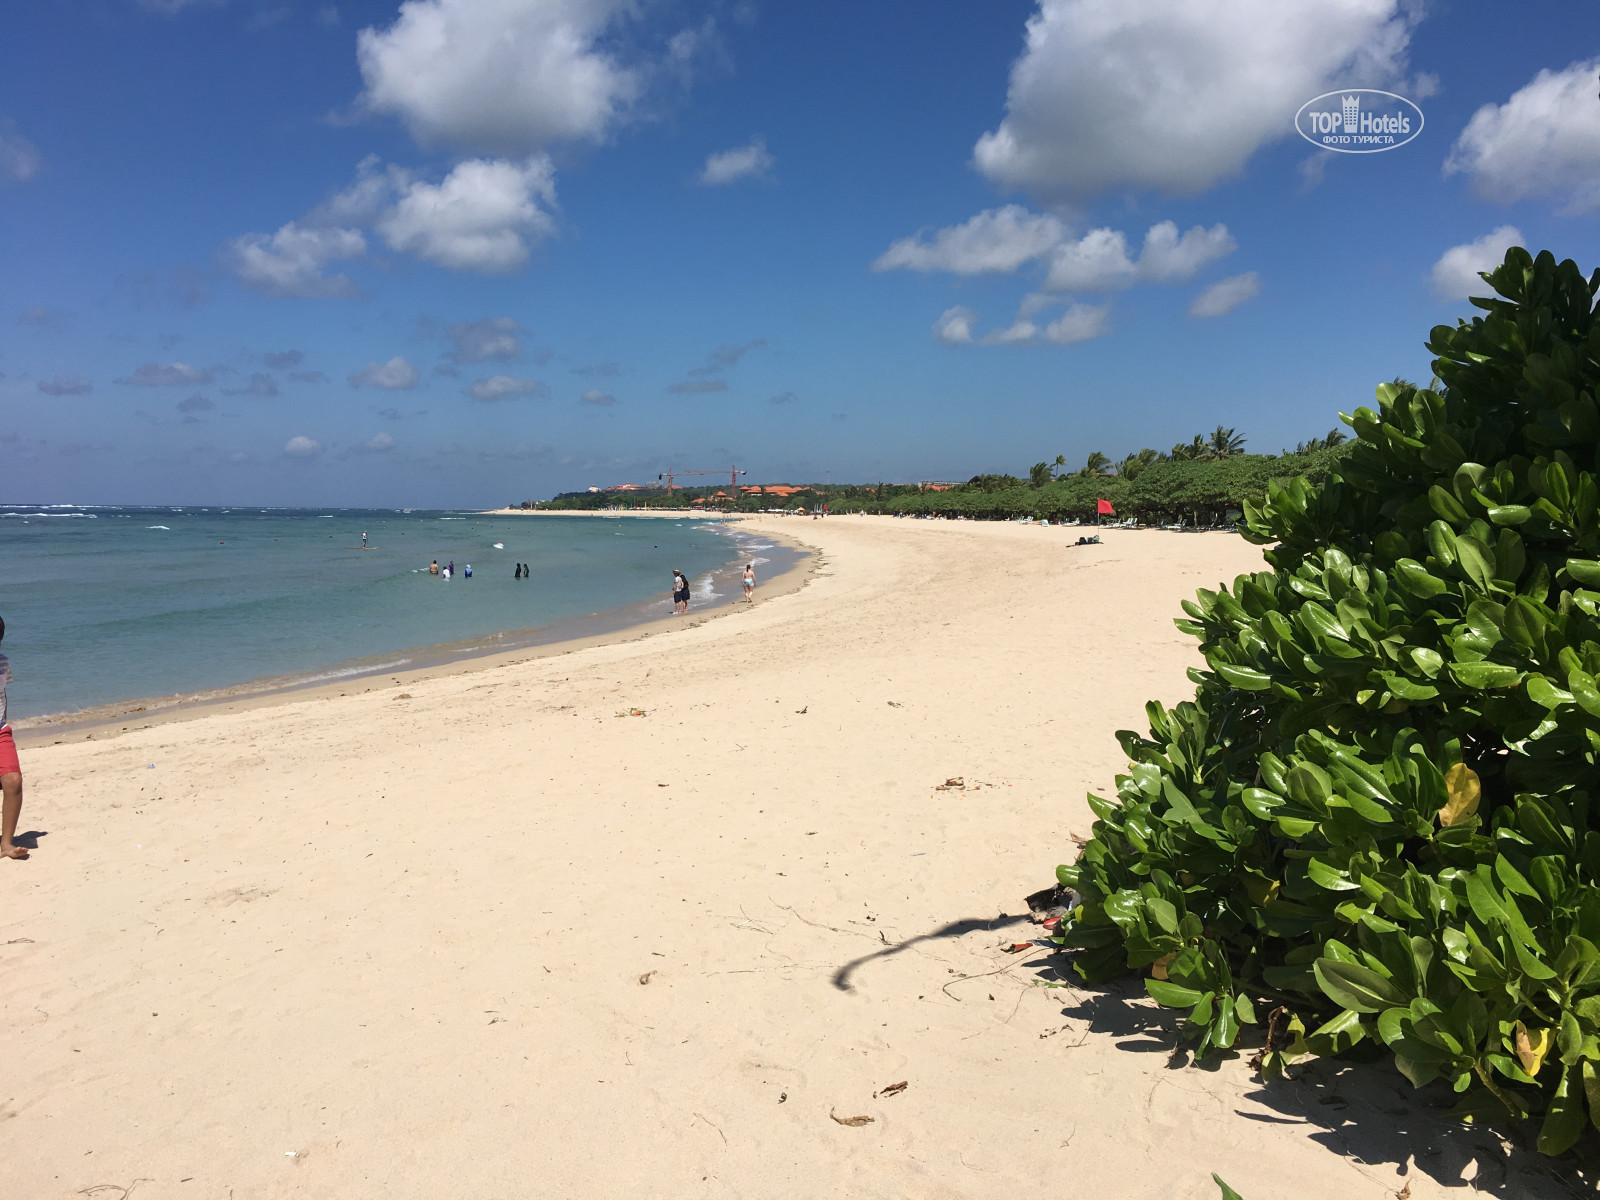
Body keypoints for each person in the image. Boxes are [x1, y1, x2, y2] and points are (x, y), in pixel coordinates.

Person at [0, 616, 27, 860]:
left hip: (0, 731)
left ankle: (6, 845)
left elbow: (3, 694)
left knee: (13, 782)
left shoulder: (3, 663)